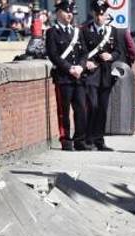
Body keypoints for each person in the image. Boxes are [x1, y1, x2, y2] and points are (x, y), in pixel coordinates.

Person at [46, 0, 89, 152]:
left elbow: (84, 52)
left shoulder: (77, 31)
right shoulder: (52, 32)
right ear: (58, 13)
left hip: (78, 77)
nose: (69, 14)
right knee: (63, 111)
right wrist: (69, 68)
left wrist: (81, 67)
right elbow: (53, 55)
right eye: (66, 11)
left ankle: (80, 140)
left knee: (81, 109)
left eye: (71, 12)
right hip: (64, 78)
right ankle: (66, 140)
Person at [81, 0, 120, 152]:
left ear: (106, 15)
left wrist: (110, 57)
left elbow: (118, 51)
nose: (99, 17)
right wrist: (87, 63)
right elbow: (82, 52)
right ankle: (88, 138)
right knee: (93, 107)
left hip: (105, 75)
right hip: (91, 75)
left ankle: (99, 140)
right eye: (97, 14)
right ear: (93, 14)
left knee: (102, 109)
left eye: (102, 14)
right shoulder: (85, 31)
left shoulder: (112, 31)